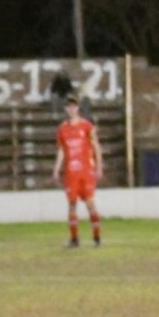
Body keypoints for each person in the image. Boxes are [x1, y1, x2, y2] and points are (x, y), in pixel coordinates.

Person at [53, 93, 104, 248]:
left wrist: (99, 167)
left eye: (74, 106)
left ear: (78, 108)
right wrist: (56, 168)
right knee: (72, 204)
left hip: (86, 171)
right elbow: (62, 150)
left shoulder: (87, 126)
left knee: (90, 204)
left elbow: (96, 147)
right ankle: (74, 239)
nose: (72, 109)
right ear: (66, 109)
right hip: (71, 173)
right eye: (69, 107)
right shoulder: (62, 129)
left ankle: (97, 237)